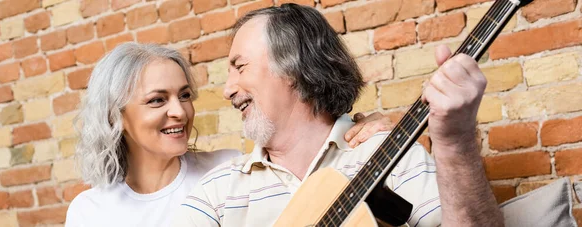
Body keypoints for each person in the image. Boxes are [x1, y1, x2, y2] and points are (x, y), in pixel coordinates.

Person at [176, 3, 503, 227]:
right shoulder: (217, 192)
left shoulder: (389, 154)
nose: (227, 89)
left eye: (240, 67)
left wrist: (455, 139)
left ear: (292, 67)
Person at [64, 43, 391, 226]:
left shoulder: (229, 171)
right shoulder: (90, 211)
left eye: (185, 95)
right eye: (157, 100)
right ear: (115, 116)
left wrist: (352, 129)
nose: (179, 111)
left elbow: (310, 206)